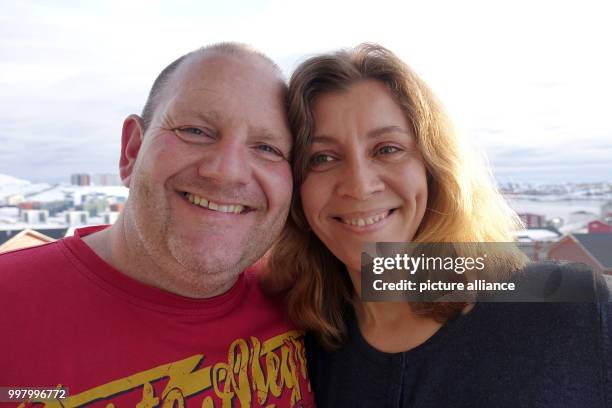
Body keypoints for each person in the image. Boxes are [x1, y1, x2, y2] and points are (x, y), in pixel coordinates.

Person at [266, 44, 611, 407]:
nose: (359, 185)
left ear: (433, 168)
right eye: (322, 157)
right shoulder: (304, 350)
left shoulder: (570, 306)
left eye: (387, 148)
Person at [0, 43, 314, 407]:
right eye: (196, 131)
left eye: (268, 148)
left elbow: (391, 278)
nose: (227, 171)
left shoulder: (305, 291)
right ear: (132, 150)